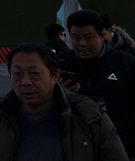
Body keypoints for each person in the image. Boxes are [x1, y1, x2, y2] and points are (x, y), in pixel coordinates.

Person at [0, 42, 127, 161]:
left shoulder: (89, 116)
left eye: (35, 74)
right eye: (17, 74)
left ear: (55, 76)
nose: (25, 82)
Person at [57, 9, 135, 159]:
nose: (82, 44)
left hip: (120, 146)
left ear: (101, 36)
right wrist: (59, 94)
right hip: (76, 146)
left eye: (88, 38)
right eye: (76, 38)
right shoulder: (61, 63)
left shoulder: (125, 62)